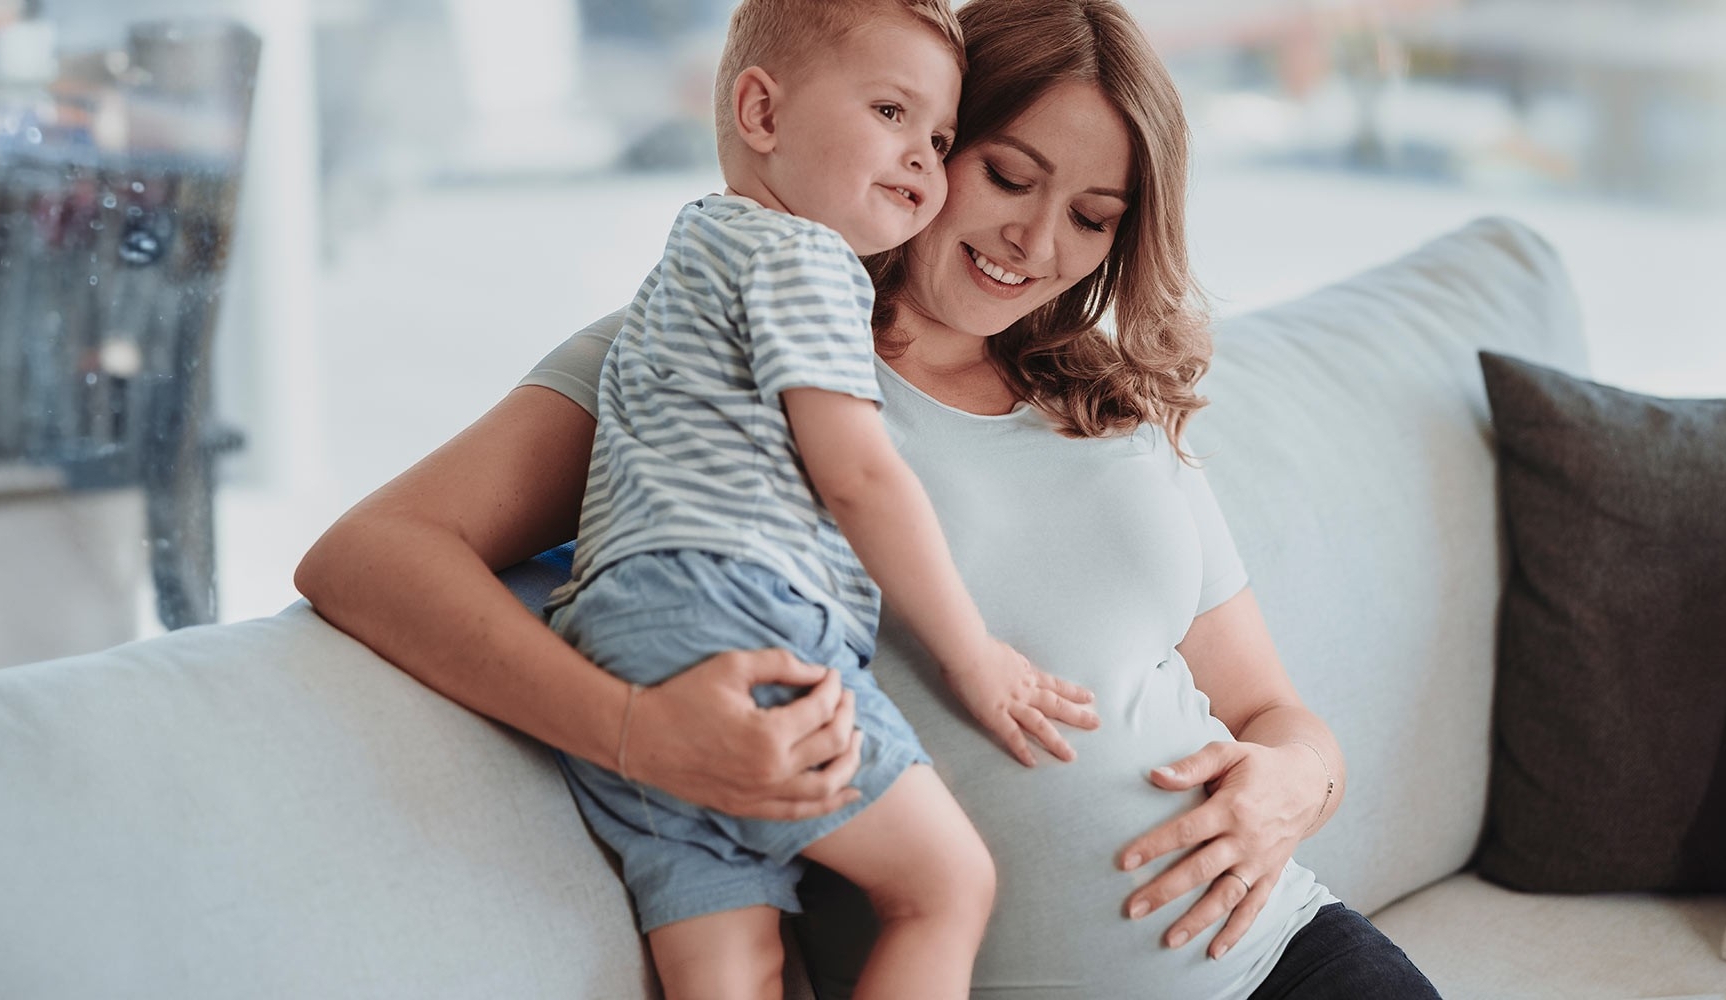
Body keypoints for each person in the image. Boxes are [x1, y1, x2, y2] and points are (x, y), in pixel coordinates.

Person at [295, 1, 1441, 996]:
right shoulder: (715, 337)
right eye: (1006, 173)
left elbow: (1273, 712)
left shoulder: (1113, 409)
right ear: (928, 140)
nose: (1037, 244)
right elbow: (372, 554)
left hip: (1285, 956)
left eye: (1093, 217)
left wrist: (1297, 784)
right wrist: (639, 734)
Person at [535, 0, 1099, 996]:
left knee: (737, 963)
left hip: (622, 633)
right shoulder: (804, 257)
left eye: (939, 138)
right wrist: (976, 658)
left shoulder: (693, 253)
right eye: (891, 113)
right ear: (761, 112)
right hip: (737, 612)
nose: (923, 161)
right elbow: (859, 472)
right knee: (946, 887)